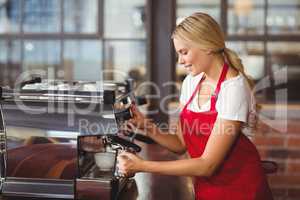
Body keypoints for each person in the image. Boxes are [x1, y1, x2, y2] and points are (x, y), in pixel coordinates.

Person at [117, 12, 273, 200]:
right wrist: (145, 126)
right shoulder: (192, 82)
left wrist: (143, 166)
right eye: (178, 54)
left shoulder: (233, 88)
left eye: (184, 52)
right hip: (207, 189)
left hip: (242, 190)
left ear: (206, 46)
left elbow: (208, 165)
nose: (180, 61)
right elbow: (179, 144)